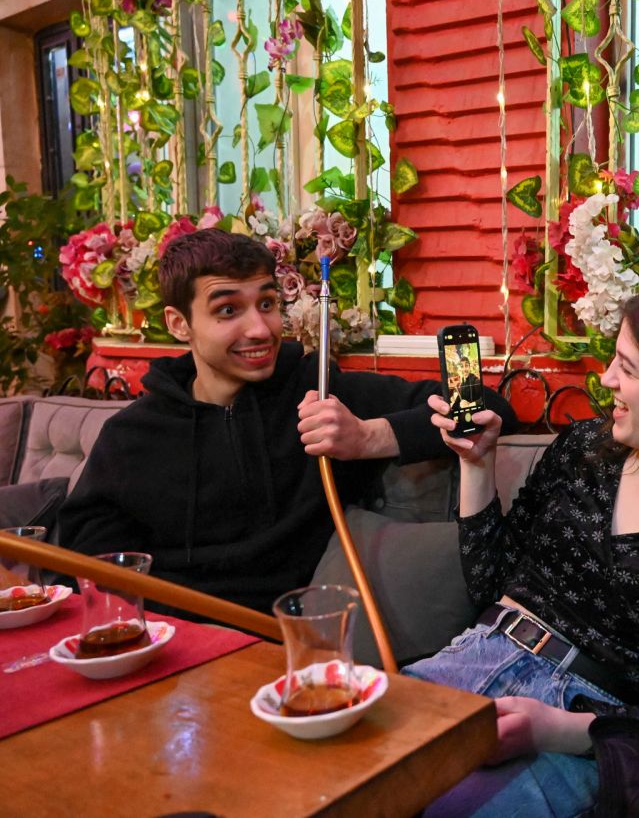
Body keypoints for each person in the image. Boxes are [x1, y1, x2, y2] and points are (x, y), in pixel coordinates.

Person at [402, 280, 639, 815]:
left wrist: (561, 730)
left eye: (628, 370)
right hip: (473, 656)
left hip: (581, 717)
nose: (606, 379)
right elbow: (493, 584)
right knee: (331, 779)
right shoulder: (586, 448)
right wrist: (476, 463)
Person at [58, 229, 515, 614]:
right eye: (227, 310)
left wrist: (366, 437)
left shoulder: (317, 389)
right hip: (175, 643)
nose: (260, 329)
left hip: (287, 638)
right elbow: (86, 559)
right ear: (179, 324)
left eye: (268, 303)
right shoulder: (134, 433)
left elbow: (486, 404)